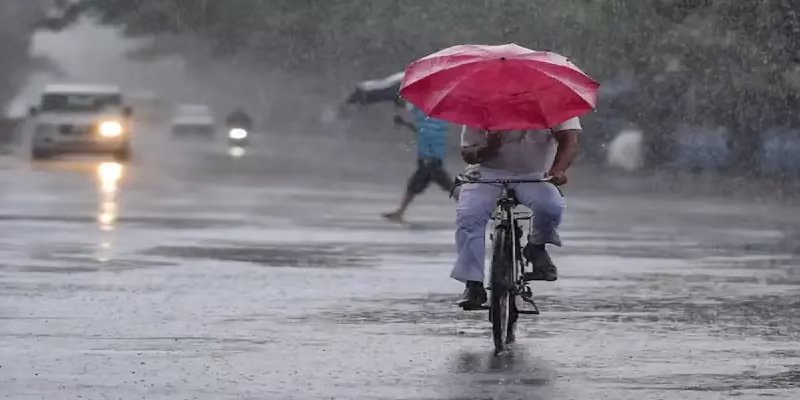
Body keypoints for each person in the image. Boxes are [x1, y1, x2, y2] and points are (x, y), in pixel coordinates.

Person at [453, 118, 582, 309]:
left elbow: (569, 139)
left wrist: (558, 169)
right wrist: (488, 149)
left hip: (534, 175)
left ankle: (536, 246)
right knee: (469, 216)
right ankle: (473, 284)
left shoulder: (553, 105)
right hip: (487, 175)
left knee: (551, 206)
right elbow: (468, 153)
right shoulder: (481, 107)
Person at [382, 101, 455, 222]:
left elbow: (425, 132)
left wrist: (403, 119)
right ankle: (399, 212)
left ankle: (399, 213)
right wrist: (404, 123)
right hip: (429, 158)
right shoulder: (433, 115)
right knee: (416, 186)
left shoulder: (430, 115)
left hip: (430, 159)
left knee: (447, 186)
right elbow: (420, 130)